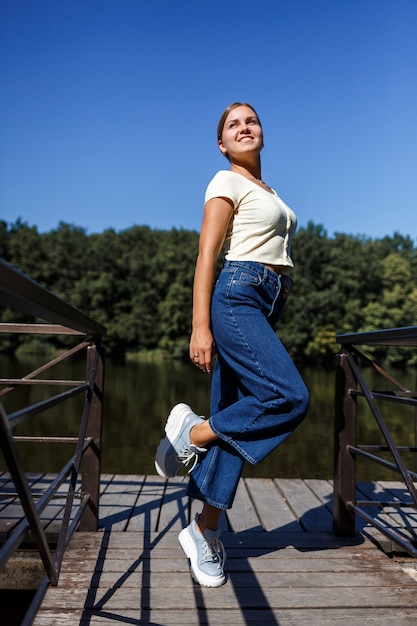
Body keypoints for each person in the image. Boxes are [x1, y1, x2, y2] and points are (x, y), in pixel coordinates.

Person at [155, 102, 309, 588]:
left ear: (263, 133)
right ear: (222, 144)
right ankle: (194, 433)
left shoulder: (269, 190)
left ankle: (204, 531)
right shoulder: (226, 181)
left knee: (238, 422)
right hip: (237, 298)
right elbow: (207, 255)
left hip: (263, 305)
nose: (245, 128)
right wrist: (200, 326)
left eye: (251, 121)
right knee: (289, 398)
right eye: (233, 125)